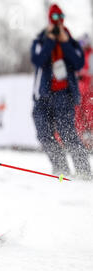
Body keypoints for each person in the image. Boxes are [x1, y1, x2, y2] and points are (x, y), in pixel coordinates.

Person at [31, 4, 91, 179]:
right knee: (43, 132)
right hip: (43, 96)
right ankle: (61, 168)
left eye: (60, 17)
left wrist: (64, 43)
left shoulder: (70, 40)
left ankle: (84, 171)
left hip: (64, 95)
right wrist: (50, 40)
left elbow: (79, 63)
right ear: (50, 20)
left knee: (68, 133)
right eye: (54, 18)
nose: (58, 22)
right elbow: (38, 60)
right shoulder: (41, 40)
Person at [76, 33, 93, 149]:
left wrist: (83, 73)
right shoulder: (79, 55)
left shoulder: (90, 55)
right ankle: (82, 138)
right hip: (80, 91)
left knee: (90, 113)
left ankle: (89, 137)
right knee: (78, 113)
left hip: (89, 90)